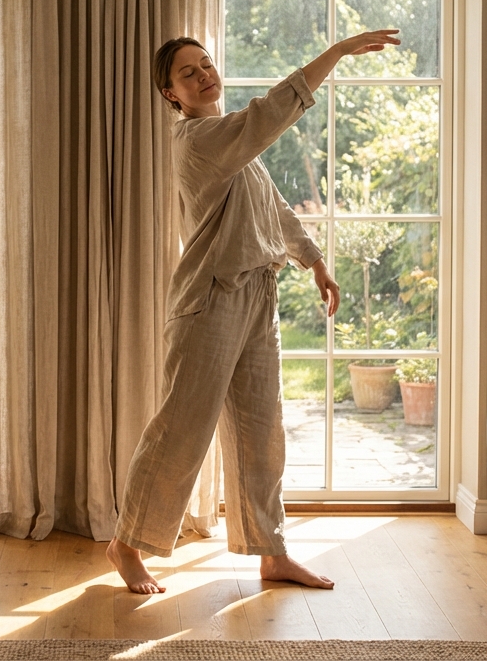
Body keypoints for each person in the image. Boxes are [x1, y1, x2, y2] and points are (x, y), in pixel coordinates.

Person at [105, 30, 403, 594]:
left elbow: (273, 207)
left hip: (257, 298)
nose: (203, 75)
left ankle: (271, 552)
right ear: (171, 95)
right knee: (183, 429)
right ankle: (125, 543)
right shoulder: (198, 141)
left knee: (262, 432)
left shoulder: (233, 148)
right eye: (187, 73)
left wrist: (313, 260)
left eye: (206, 64)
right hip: (209, 301)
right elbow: (267, 115)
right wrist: (335, 53)